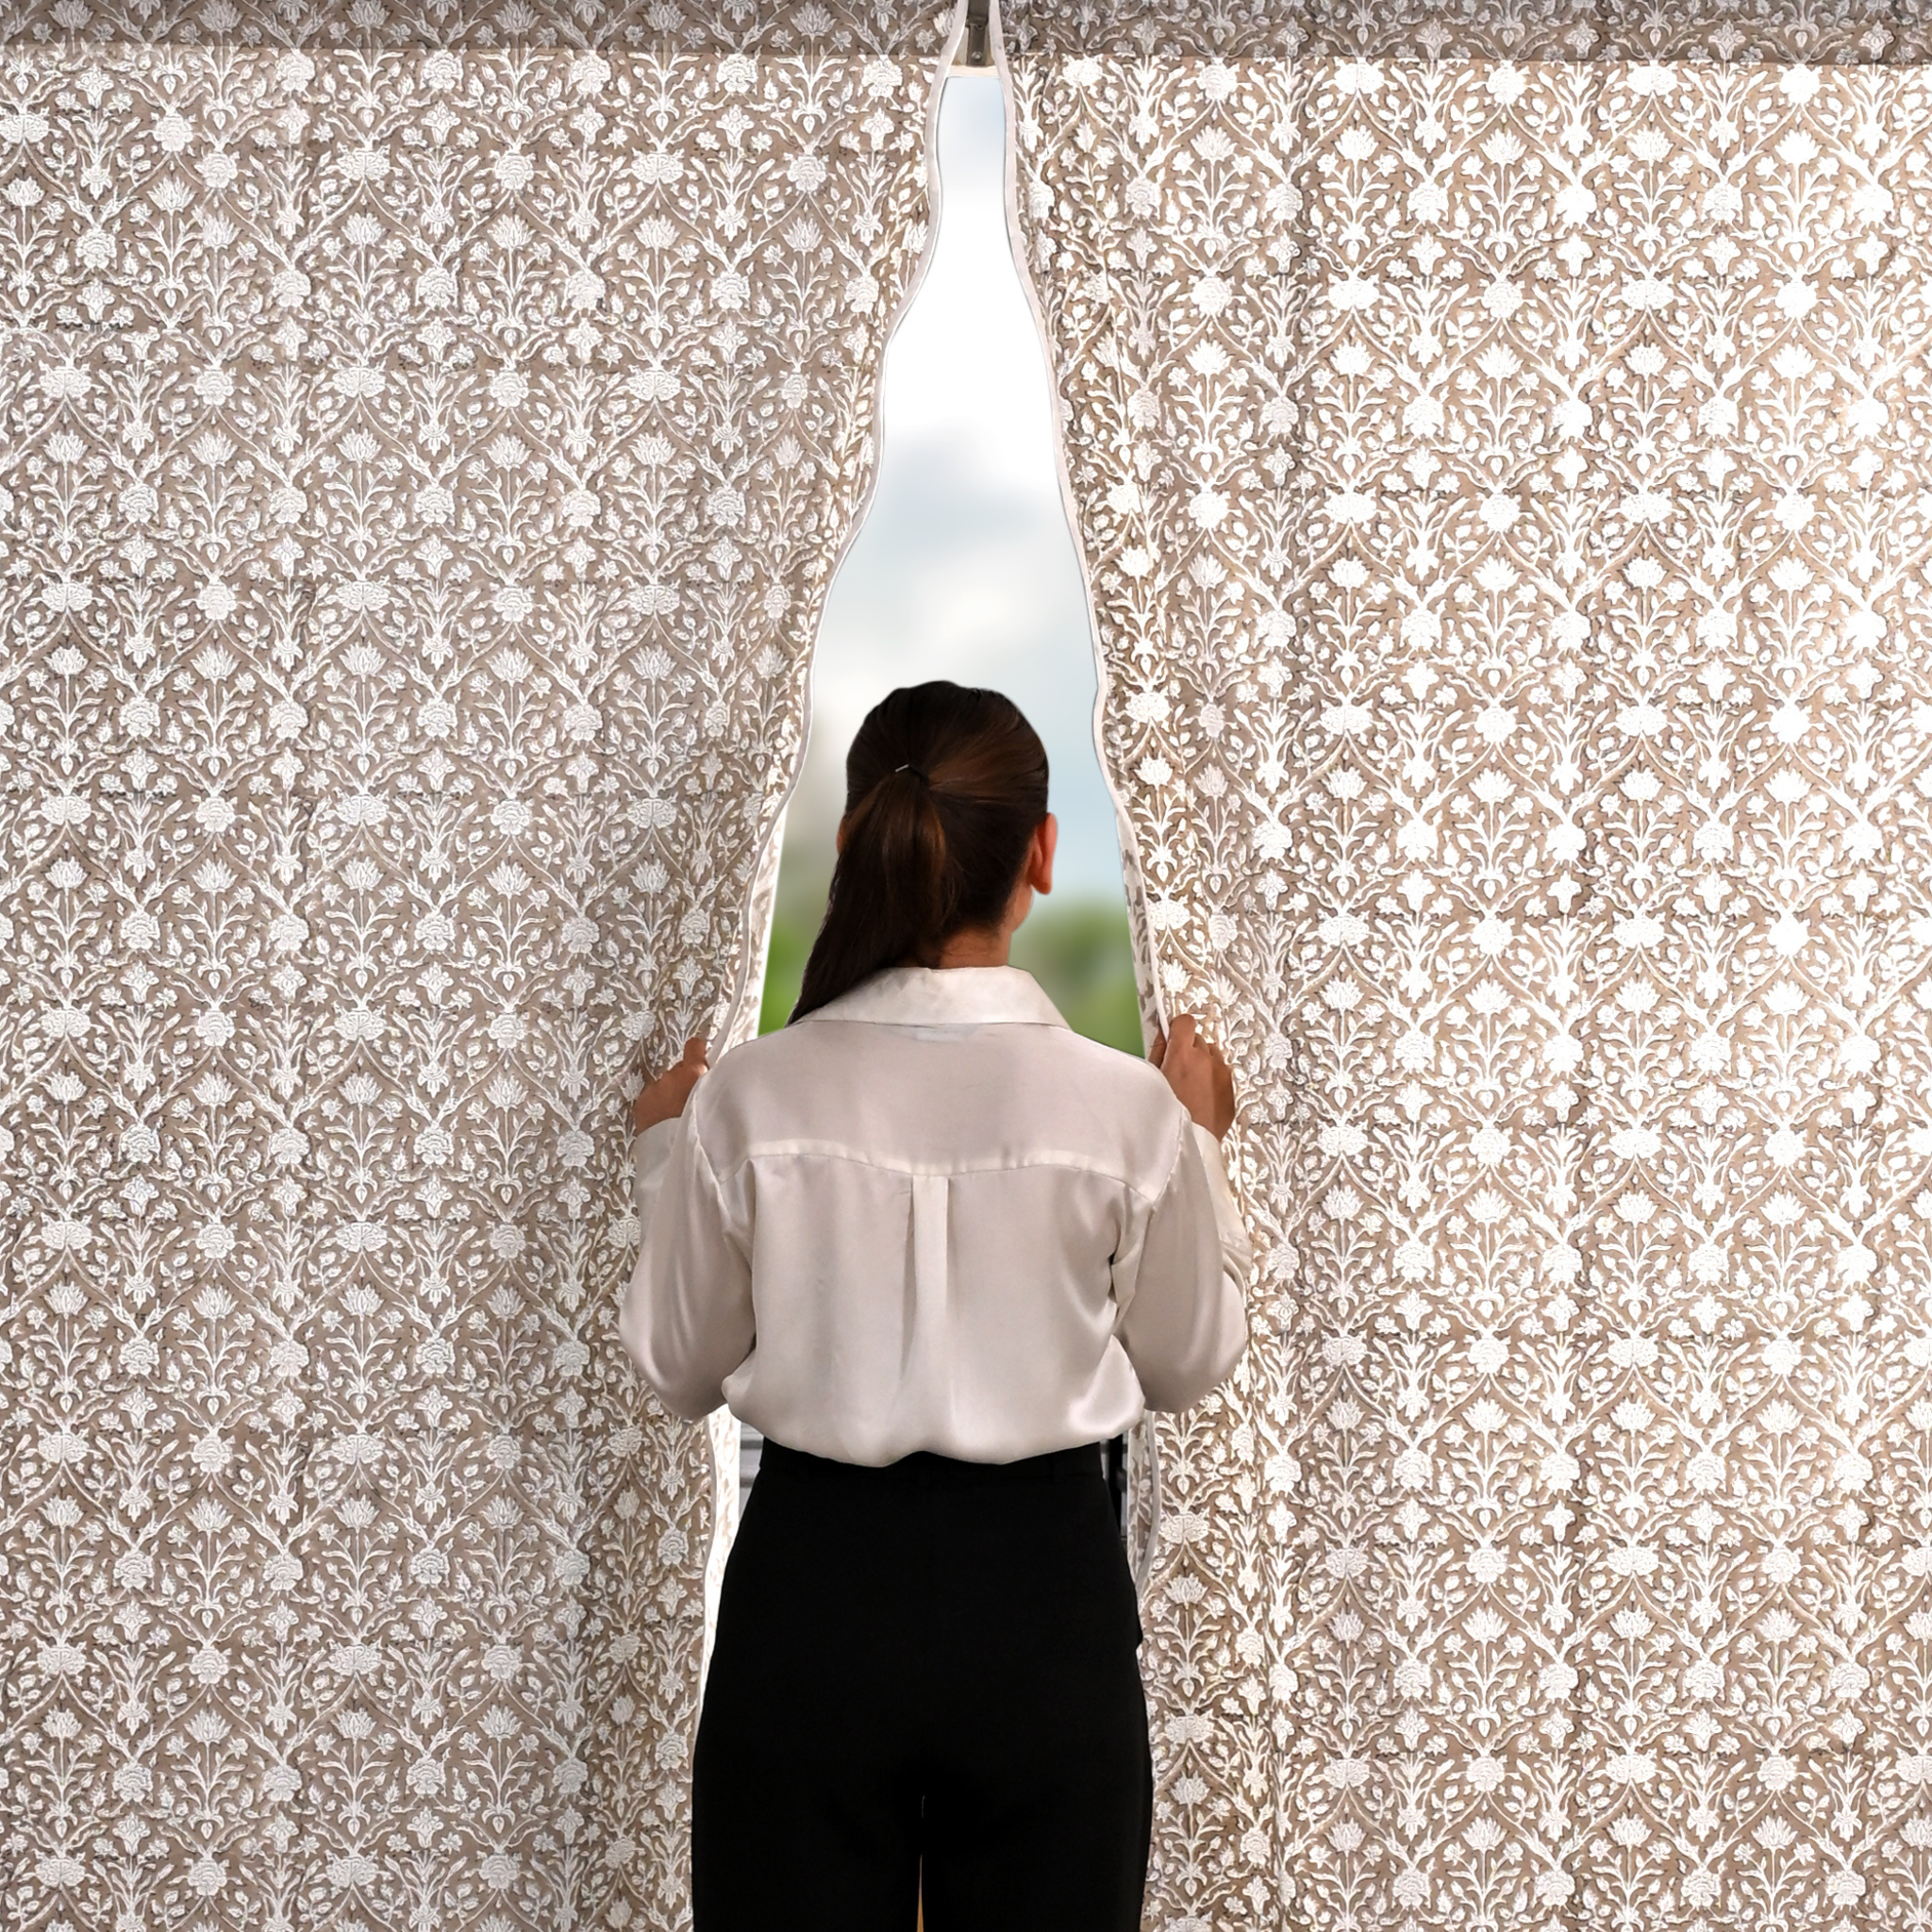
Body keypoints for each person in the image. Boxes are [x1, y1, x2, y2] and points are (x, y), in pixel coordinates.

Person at [621, 680, 1250, 1932]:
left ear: (854, 847)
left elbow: (678, 1368)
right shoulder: (1129, 1112)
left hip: (810, 1598)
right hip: (1043, 1608)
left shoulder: (747, 1100)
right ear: (1042, 853)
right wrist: (1201, 1143)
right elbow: (1187, 1362)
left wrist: (661, 1153)